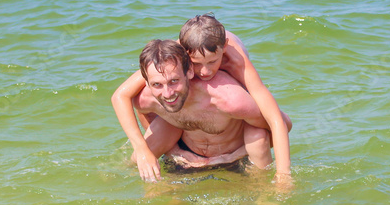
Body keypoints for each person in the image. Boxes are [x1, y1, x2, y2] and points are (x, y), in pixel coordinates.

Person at [111, 15, 292, 183]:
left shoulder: (236, 62)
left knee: (256, 131)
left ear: (224, 48)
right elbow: (124, 95)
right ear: (184, 55)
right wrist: (150, 149)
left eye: (212, 62)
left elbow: (278, 120)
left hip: (235, 115)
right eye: (196, 64)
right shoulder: (171, 59)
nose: (205, 72)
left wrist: (283, 174)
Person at [129, 39, 283, 174]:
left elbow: (277, 126)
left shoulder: (230, 99)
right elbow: (139, 109)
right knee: (138, 158)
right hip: (187, 155)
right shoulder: (147, 98)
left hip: (235, 157)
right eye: (157, 84)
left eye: (174, 81)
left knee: (258, 137)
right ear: (148, 82)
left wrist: (234, 156)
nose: (167, 93)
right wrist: (174, 151)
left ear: (189, 72)